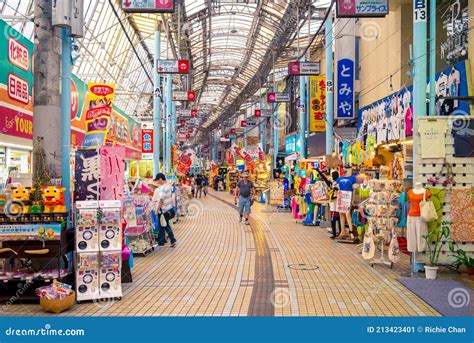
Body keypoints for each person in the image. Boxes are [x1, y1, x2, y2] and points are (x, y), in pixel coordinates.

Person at [154, 173, 177, 247]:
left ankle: (172, 240)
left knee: (165, 225)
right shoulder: (168, 186)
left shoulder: (163, 188)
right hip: (168, 209)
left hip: (164, 210)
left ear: (160, 179)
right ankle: (162, 242)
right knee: (164, 225)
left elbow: (161, 200)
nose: (157, 182)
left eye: (157, 180)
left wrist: (157, 210)